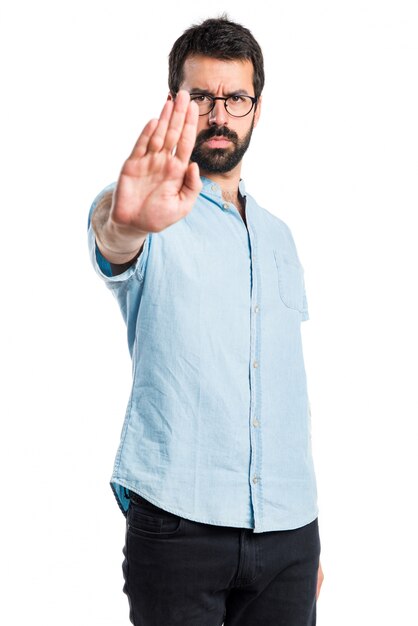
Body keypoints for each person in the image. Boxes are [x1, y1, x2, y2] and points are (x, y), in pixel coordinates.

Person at [88, 15, 324, 626]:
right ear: (176, 103)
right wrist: (125, 222)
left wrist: (304, 536)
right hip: (178, 529)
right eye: (202, 97)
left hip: (287, 533)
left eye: (236, 98)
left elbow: (283, 388)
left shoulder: (280, 238)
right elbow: (113, 240)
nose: (219, 115)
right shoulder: (148, 212)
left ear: (257, 108)